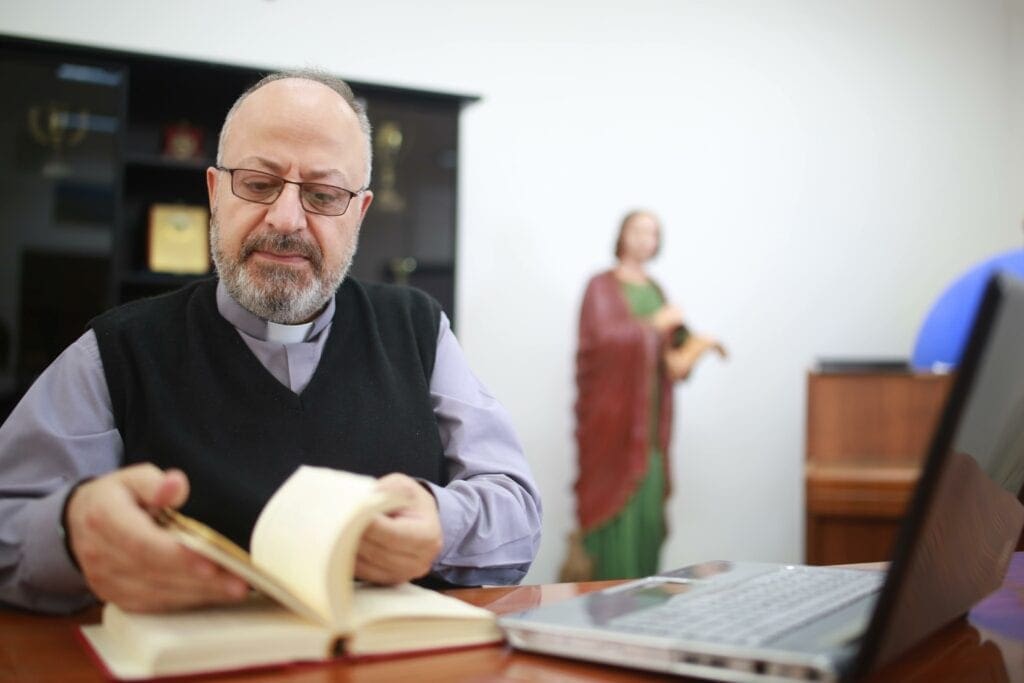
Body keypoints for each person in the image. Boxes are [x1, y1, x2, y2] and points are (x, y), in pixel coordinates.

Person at [0, 70, 542, 615]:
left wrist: (441, 525)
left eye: (324, 195)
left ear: (359, 212)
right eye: (258, 184)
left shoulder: (419, 329)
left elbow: (516, 512)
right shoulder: (116, 350)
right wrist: (72, 532)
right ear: (215, 192)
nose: (286, 219)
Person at [570, 210, 724, 580]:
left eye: (652, 233)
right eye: (636, 230)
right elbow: (601, 343)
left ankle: (645, 605)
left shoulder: (656, 291)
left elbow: (670, 358)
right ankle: (607, 611)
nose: (643, 239)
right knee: (614, 516)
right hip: (613, 425)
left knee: (648, 518)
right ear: (621, 235)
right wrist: (653, 326)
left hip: (650, 428)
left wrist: (693, 347)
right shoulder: (600, 287)